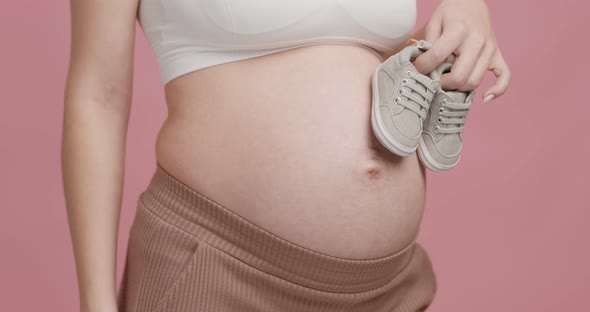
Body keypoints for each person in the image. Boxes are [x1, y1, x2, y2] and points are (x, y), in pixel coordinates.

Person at [62, 0, 511, 311]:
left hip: (385, 287)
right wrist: (96, 304)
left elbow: (366, 57)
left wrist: (467, 15)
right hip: (221, 274)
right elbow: (97, 98)